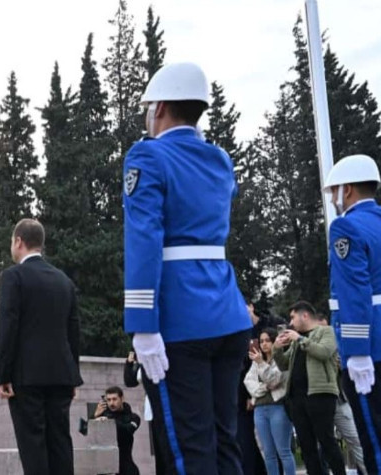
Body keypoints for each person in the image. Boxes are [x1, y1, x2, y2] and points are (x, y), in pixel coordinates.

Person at [122, 62, 252, 474]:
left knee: (188, 451)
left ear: (158, 107)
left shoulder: (147, 154)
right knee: (225, 444)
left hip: (181, 320)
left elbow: (144, 240)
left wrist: (142, 322)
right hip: (227, 314)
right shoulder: (219, 160)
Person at [0, 218, 83, 475]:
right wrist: (73, 375)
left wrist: (3, 375)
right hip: (61, 375)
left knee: (33, 446)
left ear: (19, 241)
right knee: (60, 443)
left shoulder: (14, 277)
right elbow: (73, 332)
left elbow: (8, 327)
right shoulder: (64, 281)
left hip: (27, 376)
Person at [324, 154, 381, 475]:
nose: (333, 200)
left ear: (346, 189)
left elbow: (354, 294)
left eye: (334, 191)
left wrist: (357, 352)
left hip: (371, 350)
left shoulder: (345, 227)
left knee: (378, 441)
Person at [273, 301, 347, 475]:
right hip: (297, 398)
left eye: (292, 317)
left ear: (304, 315)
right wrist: (277, 349)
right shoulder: (297, 339)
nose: (290, 322)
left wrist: (299, 339)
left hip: (320, 394)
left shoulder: (325, 331)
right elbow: (284, 365)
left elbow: (324, 352)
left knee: (327, 441)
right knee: (306, 446)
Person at [319, 313, 369, 474]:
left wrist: (343, 366)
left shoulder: (339, 344)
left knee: (355, 440)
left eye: (327, 328)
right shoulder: (309, 345)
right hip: (321, 401)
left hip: (341, 399)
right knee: (324, 445)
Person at [244, 327, 297, 475]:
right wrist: (263, 388)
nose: (264, 344)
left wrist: (261, 364)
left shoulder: (280, 358)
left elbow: (275, 380)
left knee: (283, 450)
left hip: (277, 407)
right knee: (268, 453)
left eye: (267, 340)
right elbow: (248, 382)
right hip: (259, 408)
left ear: (274, 341)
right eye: (261, 341)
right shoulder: (257, 360)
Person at [124, 351, 167, 475]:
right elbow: (130, 381)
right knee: (160, 454)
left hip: (169, 407)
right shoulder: (143, 362)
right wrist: (130, 362)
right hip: (154, 410)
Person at [92, 387, 140, 475]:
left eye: (114, 399)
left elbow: (128, 429)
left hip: (126, 466)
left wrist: (109, 421)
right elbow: (85, 432)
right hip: (105, 467)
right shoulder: (102, 417)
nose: (111, 403)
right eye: (108, 400)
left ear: (122, 399)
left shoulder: (133, 417)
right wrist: (94, 416)